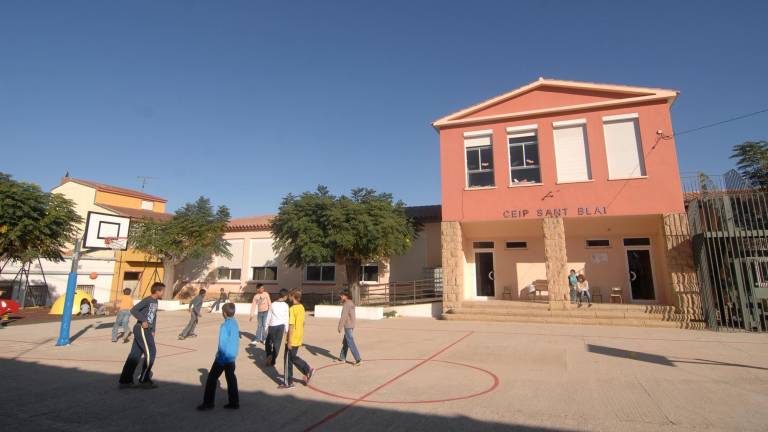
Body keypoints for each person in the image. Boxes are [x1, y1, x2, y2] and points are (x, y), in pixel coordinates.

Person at [118, 282, 164, 389]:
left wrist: (153, 329)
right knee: (151, 352)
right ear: (157, 291)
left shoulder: (155, 301)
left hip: (148, 330)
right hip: (142, 329)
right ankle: (144, 380)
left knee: (135, 355)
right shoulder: (148, 300)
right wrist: (143, 320)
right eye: (162, 291)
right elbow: (134, 310)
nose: (163, 293)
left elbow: (153, 316)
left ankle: (125, 380)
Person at [197, 302, 240, 410]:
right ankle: (234, 402)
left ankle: (208, 403)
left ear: (224, 313)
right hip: (231, 357)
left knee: (211, 378)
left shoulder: (224, 326)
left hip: (223, 358)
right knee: (231, 379)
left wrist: (220, 358)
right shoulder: (235, 323)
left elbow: (222, 344)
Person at [280, 289, 313, 389]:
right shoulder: (302, 307)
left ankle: (288, 382)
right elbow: (303, 323)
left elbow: (291, 325)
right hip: (298, 336)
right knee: (292, 357)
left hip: (293, 337)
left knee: (287, 359)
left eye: (290, 296)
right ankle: (307, 370)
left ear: (293, 296)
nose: (289, 297)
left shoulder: (292, 309)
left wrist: (289, 340)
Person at [262, 289, 289, 366]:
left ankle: (269, 354)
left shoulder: (273, 304)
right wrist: (286, 329)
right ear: (285, 297)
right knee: (277, 344)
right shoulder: (286, 306)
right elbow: (286, 317)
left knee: (268, 342)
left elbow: (269, 316)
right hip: (281, 327)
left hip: (272, 326)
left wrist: (266, 326)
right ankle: (273, 360)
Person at [336, 290, 362, 365]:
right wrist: (353, 325)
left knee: (350, 342)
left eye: (342, 295)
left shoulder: (347, 304)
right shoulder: (351, 303)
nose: (341, 297)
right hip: (351, 325)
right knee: (346, 342)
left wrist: (340, 326)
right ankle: (342, 358)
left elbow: (344, 316)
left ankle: (358, 359)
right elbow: (353, 316)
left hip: (347, 325)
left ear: (346, 296)